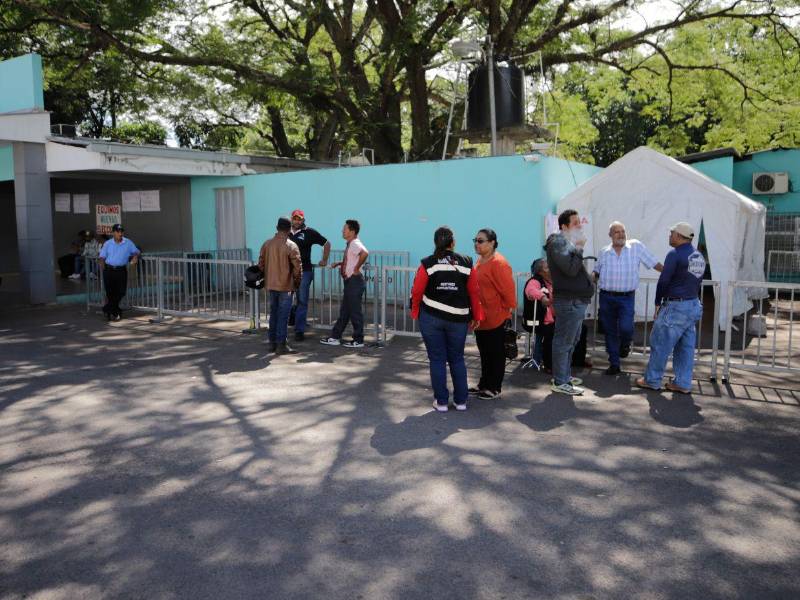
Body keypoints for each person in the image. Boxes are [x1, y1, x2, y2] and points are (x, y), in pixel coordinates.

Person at [411, 226, 484, 412]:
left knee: (437, 359)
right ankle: (461, 402)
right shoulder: (467, 262)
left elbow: (417, 290)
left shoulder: (428, 263)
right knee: (457, 359)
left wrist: (415, 311)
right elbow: (474, 292)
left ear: (436, 243)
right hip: (458, 319)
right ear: (453, 243)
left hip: (431, 317)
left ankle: (441, 402)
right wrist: (477, 315)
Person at [636, 222, 705, 394]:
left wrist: (658, 303)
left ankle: (652, 380)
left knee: (660, 343)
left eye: (672, 233)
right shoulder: (698, 256)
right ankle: (682, 383)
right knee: (686, 348)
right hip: (693, 304)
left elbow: (664, 280)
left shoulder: (674, 254)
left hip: (675, 306)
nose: (669, 235)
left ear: (679, 236)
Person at [594, 221, 663, 375]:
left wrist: (669, 272)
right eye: (617, 232)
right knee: (610, 331)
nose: (621, 234)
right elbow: (596, 271)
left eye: (623, 231)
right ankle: (614, 363)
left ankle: (625, 344)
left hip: (626, 297)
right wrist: (589, 278)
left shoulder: (636, 247)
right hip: (606, 297)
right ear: (610, 235)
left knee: (626, 328)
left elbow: (653, 263)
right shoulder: (604, 251)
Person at [545, 209, 595, 395]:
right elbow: (570, 269)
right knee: (564, 341)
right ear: (564, 226)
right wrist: (580, 248)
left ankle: (563, 375)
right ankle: (560, 381)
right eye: (575, 223)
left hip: (575, 300)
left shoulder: (565, 243)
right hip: (569, 301)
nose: (579, 226)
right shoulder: (558, 242)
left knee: (571, 340)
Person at [471, 228, 516, 399]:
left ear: (492, 243)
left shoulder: (499, 263)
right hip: (481, 318)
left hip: (496, 317)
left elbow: (508, 292)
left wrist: (506, 311)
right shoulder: (481, 260)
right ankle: (484, 384)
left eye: (480, 241)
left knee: (496, 354)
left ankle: (494, 387)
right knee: (484, 353)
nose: (476, 244)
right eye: (475, 240)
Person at [320, 219, 369, 348]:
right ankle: (335, 337)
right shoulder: (351, 244)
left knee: (354, 312)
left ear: (352, 232)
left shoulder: (354, 243)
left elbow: (365, 253)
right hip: (351, 282)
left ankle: (358, 340)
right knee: (345, 312)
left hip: (354, 282)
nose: (342, 231)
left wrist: (357, 268)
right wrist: (340, 263)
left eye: (345, 229)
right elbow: (352, 260)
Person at [258, 216, 302, 354]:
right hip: (286, 286)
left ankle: (272, 343)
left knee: (274, 314)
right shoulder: (291, 246)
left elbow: (261, 264)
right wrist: (296, 283)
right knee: (283, 316)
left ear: (277, 228)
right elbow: (297, 268)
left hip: (271, 285)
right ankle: (281, 345)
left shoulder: (267, 244)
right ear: (289, 230)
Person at [288, 209, 331, 341]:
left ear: (303, 220)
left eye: (299, 218)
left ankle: (299, 331)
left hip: (304, 272)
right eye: (295, 218)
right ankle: (285, 326)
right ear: (291, 219)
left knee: (302, 301)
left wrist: (324, 260)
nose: (297, 220)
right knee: (286, 300)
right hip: (287, 272)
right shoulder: (285, 232)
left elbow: (326, 243)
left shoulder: (309, 232)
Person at [98, 224, 140, 321]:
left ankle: (107, 309)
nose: (120, 233)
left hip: (121, 270)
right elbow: (102, 256)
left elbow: (136, 251)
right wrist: (103, 266)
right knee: (110, 293)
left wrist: (135, 256)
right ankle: (115, 312)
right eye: (118, 231)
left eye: (121, 231)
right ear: (113, 233)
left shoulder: (128, 242)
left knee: (121, 292)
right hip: (109, 270)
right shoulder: (108, 243)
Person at [523, 258, 555, 371]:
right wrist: (542, 297)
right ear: (540, 272)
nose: (550, 268)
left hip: (554, 318)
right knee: (551, 334)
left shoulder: (552, 281)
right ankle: (549, 365)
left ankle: (573, 361)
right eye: (547, 267)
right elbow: (531, 290)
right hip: (540, 320)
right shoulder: (535, 281)